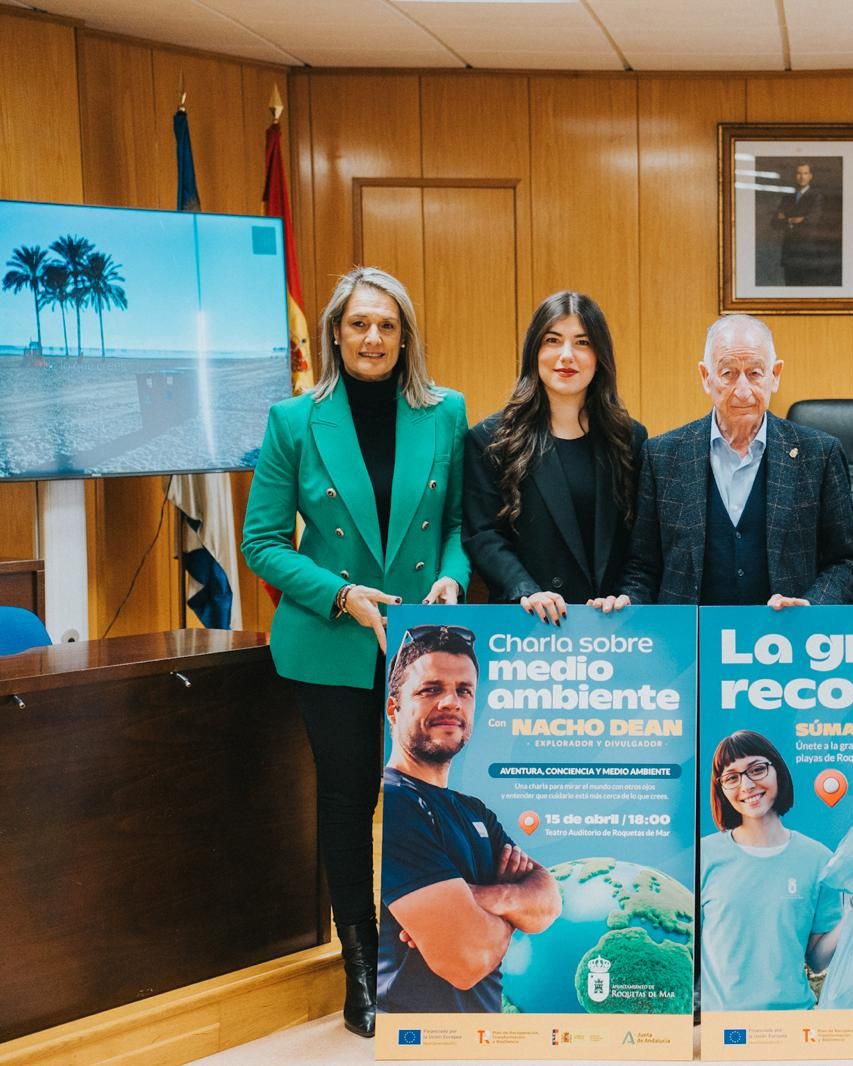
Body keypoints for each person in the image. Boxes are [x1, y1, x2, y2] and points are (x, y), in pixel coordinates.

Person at [241, 266, 470, 1038]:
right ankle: (361, 969)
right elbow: (262, 543)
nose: (373, 338)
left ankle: (428, 961)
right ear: (336, 335)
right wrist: (341, 593)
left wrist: (450, 576)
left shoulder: (446, 414)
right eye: (358, 324)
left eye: (387, 326)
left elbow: (463, 529)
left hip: (423, 646)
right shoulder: (294, 420)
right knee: (348, 806)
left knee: (427, 805)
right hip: (336, 644)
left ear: (405, 337)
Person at [600, 315, 853, 611]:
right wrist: (629, 599)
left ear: (775, 375)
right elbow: (643, 566)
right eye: (728, 373)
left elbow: (846, 561)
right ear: (705, 377)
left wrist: (812, 605)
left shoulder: (819, 454)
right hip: (690, 646)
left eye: (754, 373)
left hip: (785, 641)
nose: (742, 390)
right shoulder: (662, 456)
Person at [377, 624, 561, 1013]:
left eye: (464, 691)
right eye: (431, 689)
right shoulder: (393, 801)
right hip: (422, 1038)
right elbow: (467, 959)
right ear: (393, 708)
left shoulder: (473, 810)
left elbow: (548, 902)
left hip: (483, 1035)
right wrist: (514, 913)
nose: (451, 703)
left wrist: (481, 898)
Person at [462, 292, 645, 622]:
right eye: (553, 340)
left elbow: (642, 541)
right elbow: (484, 536)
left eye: (582, 342)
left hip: (611, 626)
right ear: (534, 351)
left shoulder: (629, 438)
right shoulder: (490, 439)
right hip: (527, 625)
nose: (566, 355)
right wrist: (526, 590)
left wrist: (628, 596)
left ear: (600, 355)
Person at [699, 730, 853, 1011]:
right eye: (732, 777)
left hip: (793, 1026)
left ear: (778, 771)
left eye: (757, 769)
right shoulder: (705, 855)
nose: (747, 784)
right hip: (722, 1029)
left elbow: (817, 960)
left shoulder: (817, 859)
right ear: (721, 788)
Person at [772, 161, 836, 286]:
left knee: (808, 292)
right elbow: (774, 223)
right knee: (791, 292)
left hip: (808, 254)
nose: (802, 177)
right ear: (795, 176)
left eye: (805, 173)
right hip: (789, 254)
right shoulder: (787, 199)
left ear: (810, 176)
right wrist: (793, 220)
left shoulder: (817, 197)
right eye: (799, 173)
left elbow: (811, 220)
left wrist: (786, 218)